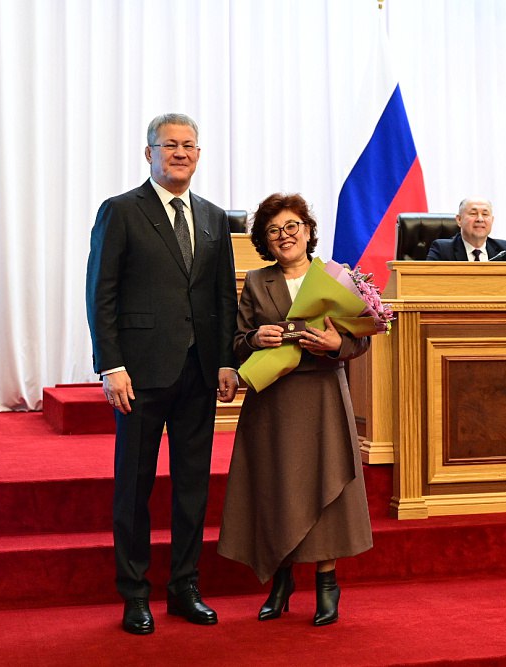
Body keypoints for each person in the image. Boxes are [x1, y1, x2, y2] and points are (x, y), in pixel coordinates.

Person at [85, 113, 239, 636]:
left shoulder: (214, 217)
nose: (180, 153)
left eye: (188, 145)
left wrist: (226, 360)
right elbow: (101, 293)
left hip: (199, 373)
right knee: (134, 486)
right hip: (139, 374)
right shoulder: (121, 210)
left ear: (199, 154)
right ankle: (134, 593)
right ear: (148, 152)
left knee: (192, 487)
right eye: (169, 144)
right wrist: (111, 365)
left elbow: (222, 297)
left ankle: (184, 587)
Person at [217, 193, 373, 627]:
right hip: (272, 401)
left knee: (326, 485)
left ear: (307, 231)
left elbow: (362, 337)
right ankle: (280, 581)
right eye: (273, 231)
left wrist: (337, 344)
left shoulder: (336, 277)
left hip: (322, 395)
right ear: (264, 242)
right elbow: (237, 340)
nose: (284, 236)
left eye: (292, 226)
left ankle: (327, 585)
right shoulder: (255, 281)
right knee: (277, 487)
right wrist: (255, 339)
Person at [426, 197, 506, 261]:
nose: (480, 219)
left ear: (492, 220)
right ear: (459, 220)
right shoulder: (442, 250)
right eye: (473, 214)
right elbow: (429, 282)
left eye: (485, 214)